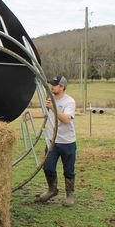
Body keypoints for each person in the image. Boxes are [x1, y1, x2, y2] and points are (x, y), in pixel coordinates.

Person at [31, 75, 77, 207]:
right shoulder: (50, 100)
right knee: (48, 167)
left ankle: (69, 195)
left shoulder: (69, 102)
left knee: (68, 170)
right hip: (52, 142)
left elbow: (66, 119)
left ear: (62, 87)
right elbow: (46, 115)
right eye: (51, 84)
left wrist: (53, 107)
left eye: (54, 85)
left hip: (67, 142)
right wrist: (31, 116)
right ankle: (52, 190)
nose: (51, 86)